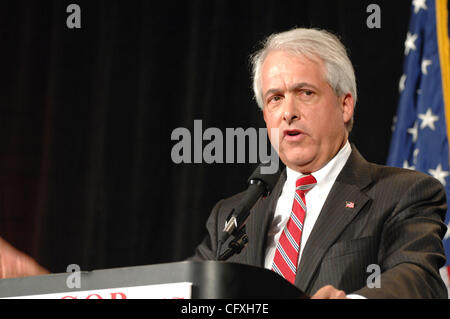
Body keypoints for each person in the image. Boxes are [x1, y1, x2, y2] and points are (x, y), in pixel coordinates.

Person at [190, 28, 448, 299]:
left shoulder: (403, 193)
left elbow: (419, 278)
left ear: (345, 105)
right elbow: (186, 289)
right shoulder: (233, 215)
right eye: (275, 98)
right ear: (265, 115)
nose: (288, 113)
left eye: (305, 93)